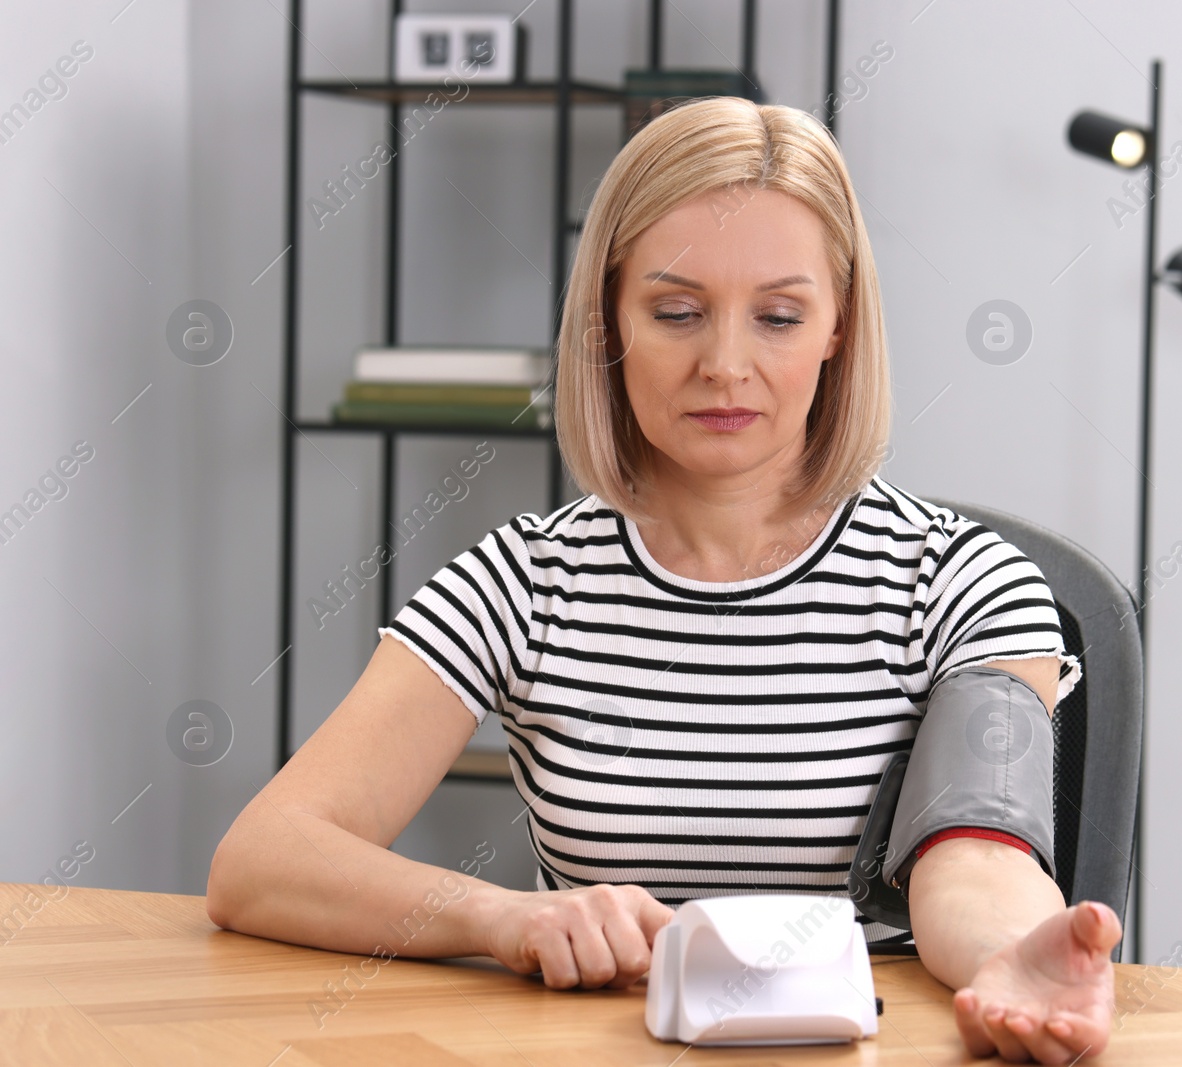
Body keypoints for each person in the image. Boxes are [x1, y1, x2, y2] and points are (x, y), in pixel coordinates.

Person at [207, 96, 1121, 1063]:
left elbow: (977, 858)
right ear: (610, 321)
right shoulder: (521, 581)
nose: (724, 364)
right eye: (676, 312)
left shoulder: (966, 581)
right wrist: (500, 917)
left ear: (838, 329)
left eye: (778, 315)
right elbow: (261, 860)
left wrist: (1009, 956)